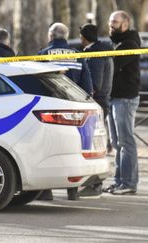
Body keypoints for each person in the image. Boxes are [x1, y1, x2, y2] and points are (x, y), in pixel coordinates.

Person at [37, 23, 93, 201]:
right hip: (75, 111)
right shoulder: (78, 56)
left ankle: (46, 191)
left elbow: (36, 85)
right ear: (66, 37)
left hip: (50, 111)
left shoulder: (43, 55)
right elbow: (88, 88)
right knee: (73, 150)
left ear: (51, 36)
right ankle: (73, 191)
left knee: (48, 150)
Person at [103, 10, 141, 195]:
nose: (111, 25)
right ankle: (119, 181)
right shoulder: (115, 42)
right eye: (110, 21)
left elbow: (114, 65)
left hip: (125, 98)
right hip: (114, 97)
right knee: (116, 142)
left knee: (126, 142)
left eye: (115, 22)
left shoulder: (130, 43)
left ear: (125, 24)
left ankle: (129, 183)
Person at [78, 23, 114, 197]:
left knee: (94, 145)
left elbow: (96, 84)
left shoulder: (96, 55)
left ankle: (95, 185)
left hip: (97, 102)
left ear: (84, 37)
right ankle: (93, 184)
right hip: (101, 102)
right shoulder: (101, 51)